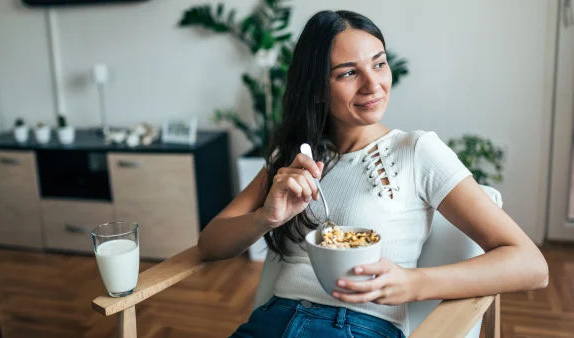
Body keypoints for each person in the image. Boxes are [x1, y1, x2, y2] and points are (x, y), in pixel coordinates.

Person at [198, 9, 549, 338]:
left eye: (378, 64)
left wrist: (412, 283)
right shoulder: (292, 160)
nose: (373, 84)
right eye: (348, 73)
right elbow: (210, 244)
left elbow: (531, 265)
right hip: (270, 322)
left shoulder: (416, 151)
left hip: (355, 326)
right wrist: (265, 218)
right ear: (318, 89)